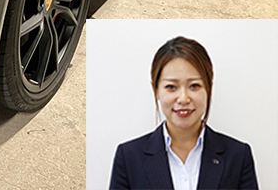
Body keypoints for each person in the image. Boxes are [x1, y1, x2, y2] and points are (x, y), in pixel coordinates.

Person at [109, 36, 259, 190]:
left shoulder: (238, 156)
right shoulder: (128, 157)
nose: (183, 99)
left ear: (208, 87)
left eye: (194, 86)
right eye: (171, 87)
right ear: (156, 90)